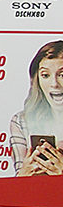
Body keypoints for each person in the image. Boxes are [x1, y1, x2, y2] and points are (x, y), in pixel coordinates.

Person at [10, 41, 63, 176]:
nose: (54, 84)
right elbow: (18, 182)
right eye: (45, 75)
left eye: (62, 75)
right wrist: (24, 174)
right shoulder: (21, 121)